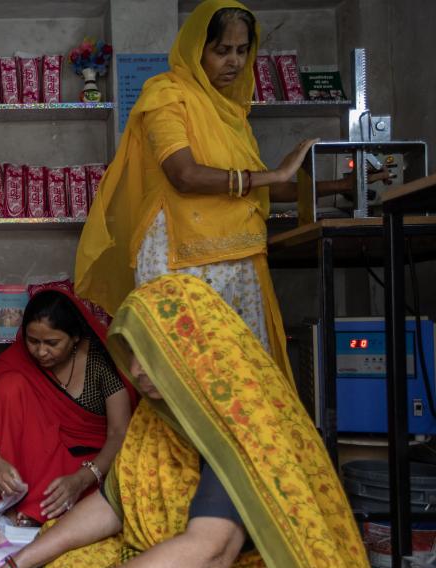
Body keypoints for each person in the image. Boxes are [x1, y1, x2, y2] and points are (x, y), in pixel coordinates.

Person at [0, 275, 379, 568]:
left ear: (193, 349)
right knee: (61, 562)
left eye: (151, 356)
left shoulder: (240, 419)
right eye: (131, 354)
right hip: (167, 552)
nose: (136, 370)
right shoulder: (159, 412)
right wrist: (14, 566)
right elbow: (113, 505)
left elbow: (210, 553)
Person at [75, 0, 388, 381]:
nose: (235, 62)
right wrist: (272, 176)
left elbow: (258, 187)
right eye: (222, 50)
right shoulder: (166, 95)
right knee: (184, 379)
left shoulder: (232, 114)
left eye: (242, 51)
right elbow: (184, 174)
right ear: (197, 49)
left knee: (240, 379)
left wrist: (341, 186)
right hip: (181, 258)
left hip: (238, 259)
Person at [0, 288, 134, 526]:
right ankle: (16, 504)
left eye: (52, 343)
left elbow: (119, 434)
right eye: (33, 341)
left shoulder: (100, 362)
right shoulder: (18, 357)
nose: (40, 352)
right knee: (9, 387)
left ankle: (35, 511)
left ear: (74, 337)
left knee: (99, 495)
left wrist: (82, 479)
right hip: (29, 469)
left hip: (84, 469)